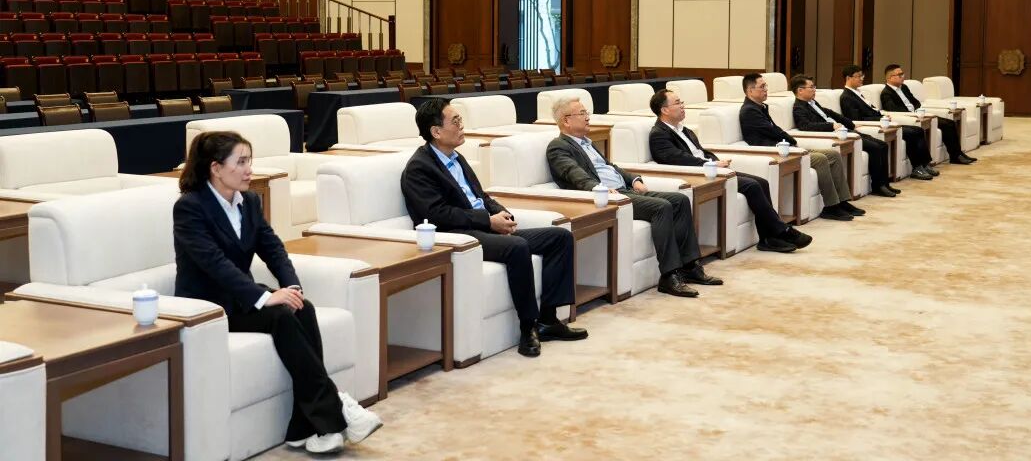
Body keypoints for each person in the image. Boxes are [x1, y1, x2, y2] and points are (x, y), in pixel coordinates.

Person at [174, 131, 381, 454]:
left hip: (240, 297)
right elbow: (214, 264)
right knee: (281, 316)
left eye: (250, 161)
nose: (249, 170)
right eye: (241, 162)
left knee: (302, 307)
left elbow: (273, 248)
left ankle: (302, 428)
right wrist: (264, 297)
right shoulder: (190, 207)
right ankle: (337, 408)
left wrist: (291, 286)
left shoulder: (249, 202)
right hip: (208, 307)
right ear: (216, 168)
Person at [401, 98, 586, 358]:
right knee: (517, 246)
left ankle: (548, 320)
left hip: (483, 227)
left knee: (560, 237)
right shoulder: (419, 168)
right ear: (436, 131)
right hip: (456, 235)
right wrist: (488, 221)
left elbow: (481, 196)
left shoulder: (456, 158)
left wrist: (501, 212)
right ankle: (528, 327)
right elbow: (437, 214)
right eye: (456, 121)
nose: (462, 126)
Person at [546, 96, 723, 298]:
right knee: (661, 207)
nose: (588, 117)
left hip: (624, 190)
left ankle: (690, 267)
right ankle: (669, 276)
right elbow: (573, 173)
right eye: (582, 113)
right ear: (566, 120)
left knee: (680, 200)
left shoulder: (587, 143)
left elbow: (610, 167)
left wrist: (634, 179)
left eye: (587, 112)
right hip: (608, 197)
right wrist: (598, 188)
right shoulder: (558, 146)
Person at [647, 88, 812, 253]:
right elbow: (676, 158)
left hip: (712, 169)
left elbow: (701, 151)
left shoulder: (684, 129)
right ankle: (782, 231)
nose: (683, 106)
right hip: (699, 174)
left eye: (682, 102)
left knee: (762, 182)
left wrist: (715, 161)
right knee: (752, 186)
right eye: (678, 103)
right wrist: (710, 164)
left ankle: (768, 238)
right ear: (665, 110)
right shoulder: (659, 134)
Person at [738, 73, 864, 221]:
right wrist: (792, 141)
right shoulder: (749, 111)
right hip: (775, 150)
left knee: (833, 154)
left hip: (785, 147)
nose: (766, 89)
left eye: (766, 86)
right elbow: (772, 131)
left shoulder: (760, 107)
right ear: (750, 90)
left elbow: (775, 129)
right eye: (762, 87)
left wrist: (792, 142)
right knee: (820, 159)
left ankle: (842, 201)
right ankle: (831, 206)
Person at [789, 74, 899, 198]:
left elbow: (831, 113)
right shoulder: (799, 107)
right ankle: (878, 186)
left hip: (844, 131)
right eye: (811, 87)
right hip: (835, 134)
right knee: (876, 148)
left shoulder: (812, 103)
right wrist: (831, 126)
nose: (815, 90)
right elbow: (806, 126)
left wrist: (851, 124)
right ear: (800, 90)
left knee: (882, 145)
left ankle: (885, 183)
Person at [839, 64, 938, 181]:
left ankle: (924, 164)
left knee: (918, 130)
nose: (862, 78)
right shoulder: (846, 97)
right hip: (876, 124)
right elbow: (856, 118)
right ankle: (916, 168)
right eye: (858, 76)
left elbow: (872, 110)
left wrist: (883, 114)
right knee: (911, 133)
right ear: (848, 78)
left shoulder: (858, 93)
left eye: (862, 76)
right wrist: (881, 119)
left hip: (882, 120)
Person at [879, 64, 975, 165]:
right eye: (899, 75)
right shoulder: (886, 93)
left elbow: (916, 102)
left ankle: (957, 154)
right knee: (945, 124)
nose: (903, 76)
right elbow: (894, 111)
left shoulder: (904, 87)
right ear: (889, 78)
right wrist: (912, 115)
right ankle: (954, 156)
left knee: (950, 123)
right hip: (910, 118)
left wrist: (916, 110)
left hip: (919, 114)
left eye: (902, 74)